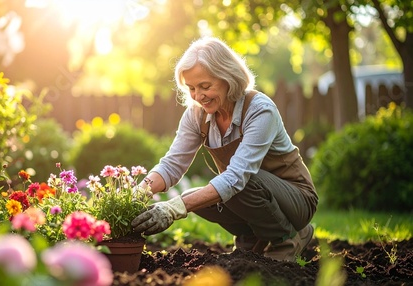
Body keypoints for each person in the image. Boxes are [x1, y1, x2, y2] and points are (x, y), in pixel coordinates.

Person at [131, 37, 318, 262]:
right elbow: (172, 164)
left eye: (205, 86)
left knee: (236, 185)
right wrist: (138, 194)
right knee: (194, 198)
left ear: (228, 78)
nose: (198, 96)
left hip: (296, 199)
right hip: (250, 190)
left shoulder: (260, 110)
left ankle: (287, 238)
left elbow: (237, 176)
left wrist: (174, 208)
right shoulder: (196, 114)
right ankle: (250, 238)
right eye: (191, 88)